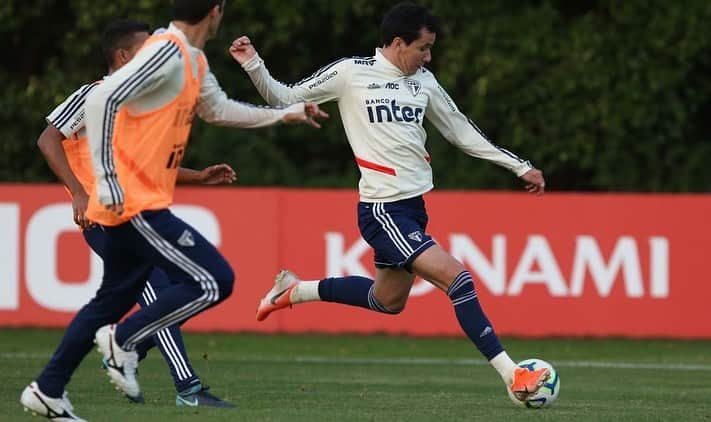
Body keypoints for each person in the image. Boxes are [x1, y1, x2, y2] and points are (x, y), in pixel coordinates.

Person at [21, 0, 328, 419]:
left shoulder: (191, 59)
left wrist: (283, 114)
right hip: (131, 203)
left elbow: (218, 110)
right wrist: (104, 183)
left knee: (110, 301)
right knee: (214, 280)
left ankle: (48, 389)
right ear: (216, 12)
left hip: (135, 201)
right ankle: (126, 342)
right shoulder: (166, 49)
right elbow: (99, 100)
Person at [230, 1, 549, 401]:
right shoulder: (352, 73)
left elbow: (461, 131)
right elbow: (284, 97)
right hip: (382, 209)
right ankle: (511, 374)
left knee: (388, 301)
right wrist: (253, 63)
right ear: (399, 43)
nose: (428, 57)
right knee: (459, 279)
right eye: (423, 48)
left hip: (413, 208)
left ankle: (295, 290)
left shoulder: (424, 82)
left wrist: (518, 166)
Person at [20, 20, 239, 420]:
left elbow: (150, 166)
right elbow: (48, 139)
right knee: (165, 291)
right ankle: (184, 384)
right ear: (123, 57)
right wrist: (80, 193)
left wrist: (198, 175)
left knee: (125, 301)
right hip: (105, 214)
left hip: (133, 211)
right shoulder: (94, 94)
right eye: (146, 50)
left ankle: (55, 384)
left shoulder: (137, 105)